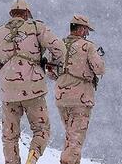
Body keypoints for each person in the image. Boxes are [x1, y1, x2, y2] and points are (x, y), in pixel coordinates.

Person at [0, 0, 66, 164]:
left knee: (10, 135)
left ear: (11, 14)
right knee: (42, 129)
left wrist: (8, 66)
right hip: (33, 89)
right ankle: (33, 156)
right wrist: (51, 65)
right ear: (27, 13)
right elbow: (59, 48)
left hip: (8, 92)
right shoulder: (36, 28)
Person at [49, 14, 105, 164]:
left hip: (61, 98)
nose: (87, 34)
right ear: (80, 29)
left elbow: (50, 72)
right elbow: (99, 69)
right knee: (76, 138)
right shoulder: (88, 47)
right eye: (86, 30)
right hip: (81, 98)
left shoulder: (58, 45)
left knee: (70, 134)